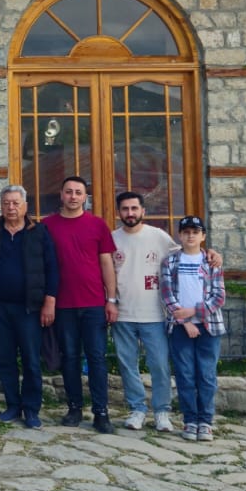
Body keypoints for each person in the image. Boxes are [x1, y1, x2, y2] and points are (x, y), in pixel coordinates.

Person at [112, 191, 223, 432]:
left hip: (154, 315)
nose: (130, 213)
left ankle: (162, 411)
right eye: (125, 209)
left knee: (160, 366)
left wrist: (212, 253)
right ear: (118, 212)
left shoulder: (158, 237)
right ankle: (137, 409)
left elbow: (189, 250)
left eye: (134, 208)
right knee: (128, 365)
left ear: (143, 211)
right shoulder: (112, 239)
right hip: (123, 314)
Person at [41, 176, 118, 434]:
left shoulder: (97, 225)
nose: (73, 196)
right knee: (70, 358)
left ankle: (101, 412)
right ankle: (74, 407)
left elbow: (106, 263)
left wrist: (111, 299)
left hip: (94, 303)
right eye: (69, 192)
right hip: (63, 304)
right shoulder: (47, 226)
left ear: (85, 197)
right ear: (61, 195)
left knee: (97, 358)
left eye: (78, 192)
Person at [0, 184, 58, 429]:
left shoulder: (39, 231)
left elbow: (52, 267)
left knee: (31, 359)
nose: (11, 208)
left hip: (29, 308)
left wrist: (50, 300)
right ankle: (13, 405)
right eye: (6, 203)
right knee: (4, 358)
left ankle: (31, 409)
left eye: (15, 203)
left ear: (25, 206)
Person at [160, 215, 226, 442]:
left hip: (209, 327)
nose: (190, 236)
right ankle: (190, 420)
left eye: (195, 232)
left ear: (203, 236)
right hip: (181, 328)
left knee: (206, 375)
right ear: (180, 235)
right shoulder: (170, 262)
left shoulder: (211, 262)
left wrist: (194, 312)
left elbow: (219, 296)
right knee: (185, 375)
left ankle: (205, 421)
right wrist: (185, 322)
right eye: (186, 232)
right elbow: (167, 295)